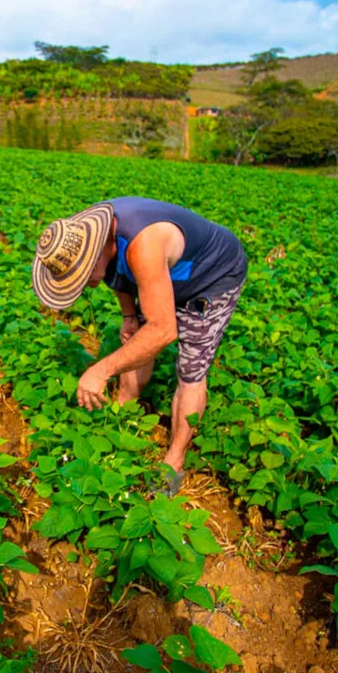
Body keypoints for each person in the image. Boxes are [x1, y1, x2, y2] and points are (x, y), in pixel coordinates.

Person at [31, 197, 247, 495]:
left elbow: (163, 331)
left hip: (211, 276)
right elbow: (117, 275)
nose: (84, 287)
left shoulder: (143, 244)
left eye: (81, 280)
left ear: (95, 255)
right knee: (136, 340)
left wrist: (101, 369)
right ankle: (122, 417)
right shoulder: (80, 233)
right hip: (160, 275)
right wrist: (129, 315)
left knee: (190, 370)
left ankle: (175, 461)